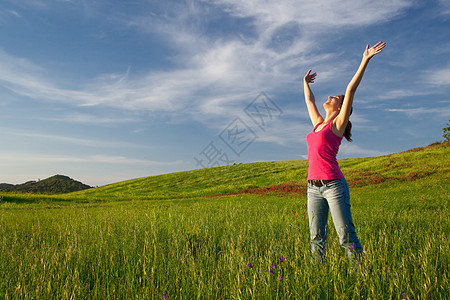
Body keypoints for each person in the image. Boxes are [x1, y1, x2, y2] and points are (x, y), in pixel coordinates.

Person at [303, 41, 386, 262]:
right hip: (313, 187)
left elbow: (350, 89)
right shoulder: (318, 124)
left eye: (335, 98)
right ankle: (316, 277)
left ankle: (360, 276)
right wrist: (305, 83)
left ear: (341, 109)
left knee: (345, 237)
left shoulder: (337, 126)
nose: (331, 97)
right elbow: (309, 101)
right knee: (316, 238)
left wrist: (365, 59)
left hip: (333, 186)